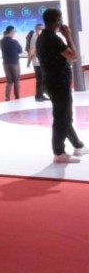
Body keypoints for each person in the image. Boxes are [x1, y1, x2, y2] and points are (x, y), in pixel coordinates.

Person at [35, 9, 85, 164]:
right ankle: (59, 152)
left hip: (51, 82)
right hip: (58, 83)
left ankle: (77, 145)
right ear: (58, 21)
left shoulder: (42, 37)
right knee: (62, 117)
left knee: (64, 116)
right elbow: (74, 56)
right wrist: (68, 36)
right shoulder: (53, 39)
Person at [0, 26, 23, 101]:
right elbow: (20, 50)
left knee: (9, 81)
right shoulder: (14, 42)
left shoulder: (1, 41)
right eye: (14, 31)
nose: (14, 33)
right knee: (16, 80)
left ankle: (7, 97)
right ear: (11, 31)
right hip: (14, 62)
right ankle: (17, 96)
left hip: (5, 63)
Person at [28, 24, 48, 102]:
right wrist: (30, 60)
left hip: (42, 61)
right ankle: (38, 95)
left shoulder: (42, 38)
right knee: (40, 79)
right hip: (37, 62)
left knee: (43, 79)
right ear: (36, 29)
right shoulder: (34, 38)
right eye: (40, 28)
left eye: (43, 29)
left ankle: (41, 94)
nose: (42, 30)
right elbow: (32, 50)